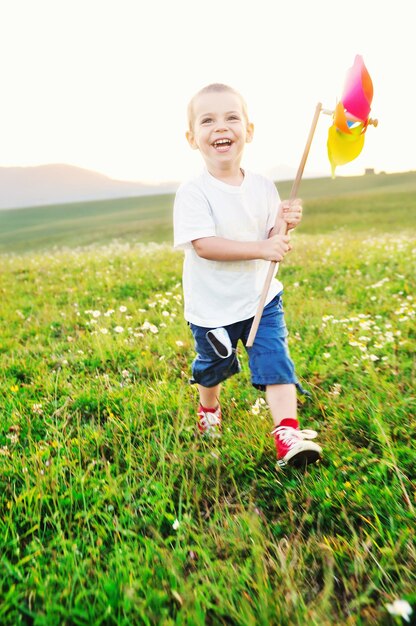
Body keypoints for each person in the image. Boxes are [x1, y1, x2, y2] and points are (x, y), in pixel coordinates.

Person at [173, 83, 322, 467]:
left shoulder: (263, 186)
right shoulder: (193, 193)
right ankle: (209, 410)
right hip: (212, 308)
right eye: (208, 120)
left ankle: (287, 435)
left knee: (276, 362)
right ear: (193, 138)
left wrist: (284, 225)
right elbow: (204, 245)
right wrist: (263, 247)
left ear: (249, 131)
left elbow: (272, 242)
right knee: (212, 369)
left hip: (261, 297)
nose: (220, 127)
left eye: (231, 117)